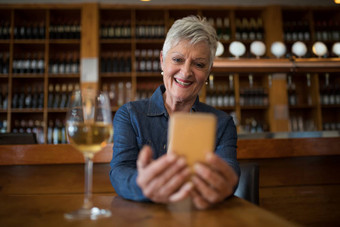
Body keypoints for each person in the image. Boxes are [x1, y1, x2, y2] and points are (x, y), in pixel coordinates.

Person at [110, 15, 240, 210]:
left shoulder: (222, 123)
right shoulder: (130, 114)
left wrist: (224, 183)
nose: (186, 72)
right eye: (178, 59)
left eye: (199, 64)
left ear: (209, 71)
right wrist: (142, 184)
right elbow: (119, 171)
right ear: (162, 61)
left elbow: (229, 170)